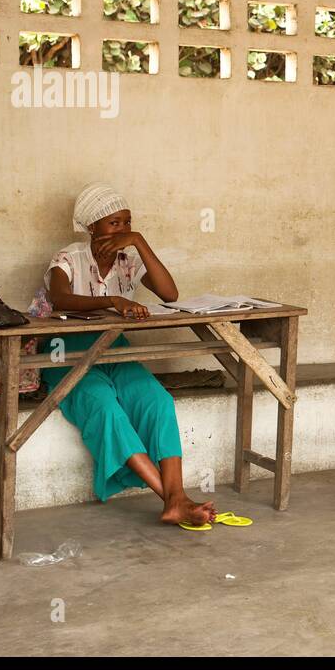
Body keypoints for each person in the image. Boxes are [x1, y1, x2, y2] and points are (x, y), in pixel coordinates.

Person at [40, 183, 216, 528]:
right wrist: (113, 301)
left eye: (127, 222)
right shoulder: (68, 257)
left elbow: (169, 292)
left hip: (112, 348)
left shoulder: (127, 261)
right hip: (66, 353)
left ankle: (177, 498)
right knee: (106, 408)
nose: (121, 230)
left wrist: (140, 242)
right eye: (113, 223)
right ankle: (173, 500)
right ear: (92, 227)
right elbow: (60, 298)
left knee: (157, 401)